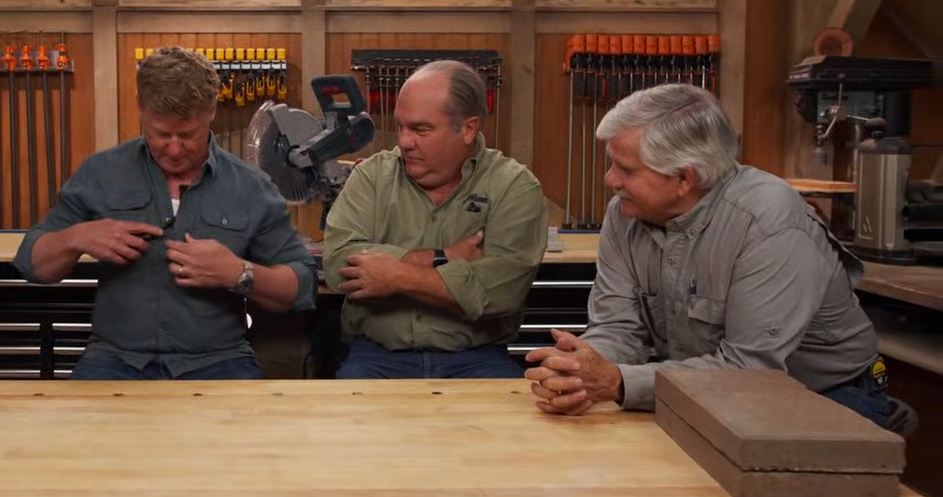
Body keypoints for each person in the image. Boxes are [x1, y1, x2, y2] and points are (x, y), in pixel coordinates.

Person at [524, 83, 916, 434]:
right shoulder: (625, 215)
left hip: (824, 396)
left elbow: (751, 372)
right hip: (703, 392)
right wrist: (581, 371)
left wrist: (618, 382)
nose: (610, 180)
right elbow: (617, 327)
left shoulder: (770, 224)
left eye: (625, 168)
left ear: (685, 178)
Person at [13, 46, 316, 380]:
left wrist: (238, 273)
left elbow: (301, 285)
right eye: (160, 134)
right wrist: (75, 237)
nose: (174, 149)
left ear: (212, 111)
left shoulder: (252, 188)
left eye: (187, 135)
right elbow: (32, 265)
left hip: (219, 361)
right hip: (114, 361)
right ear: (140, 107)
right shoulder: (100, 173)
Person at [322, 60, 548, 378]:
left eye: (420, 129)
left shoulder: (513, 186)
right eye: (401, 126)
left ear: (468, 129)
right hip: (376, 358)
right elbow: (337, 265)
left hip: (478, 359)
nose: (404, 141)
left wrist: (397, 275)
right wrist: (444, 257)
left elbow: (501, 293)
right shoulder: (371, 177)